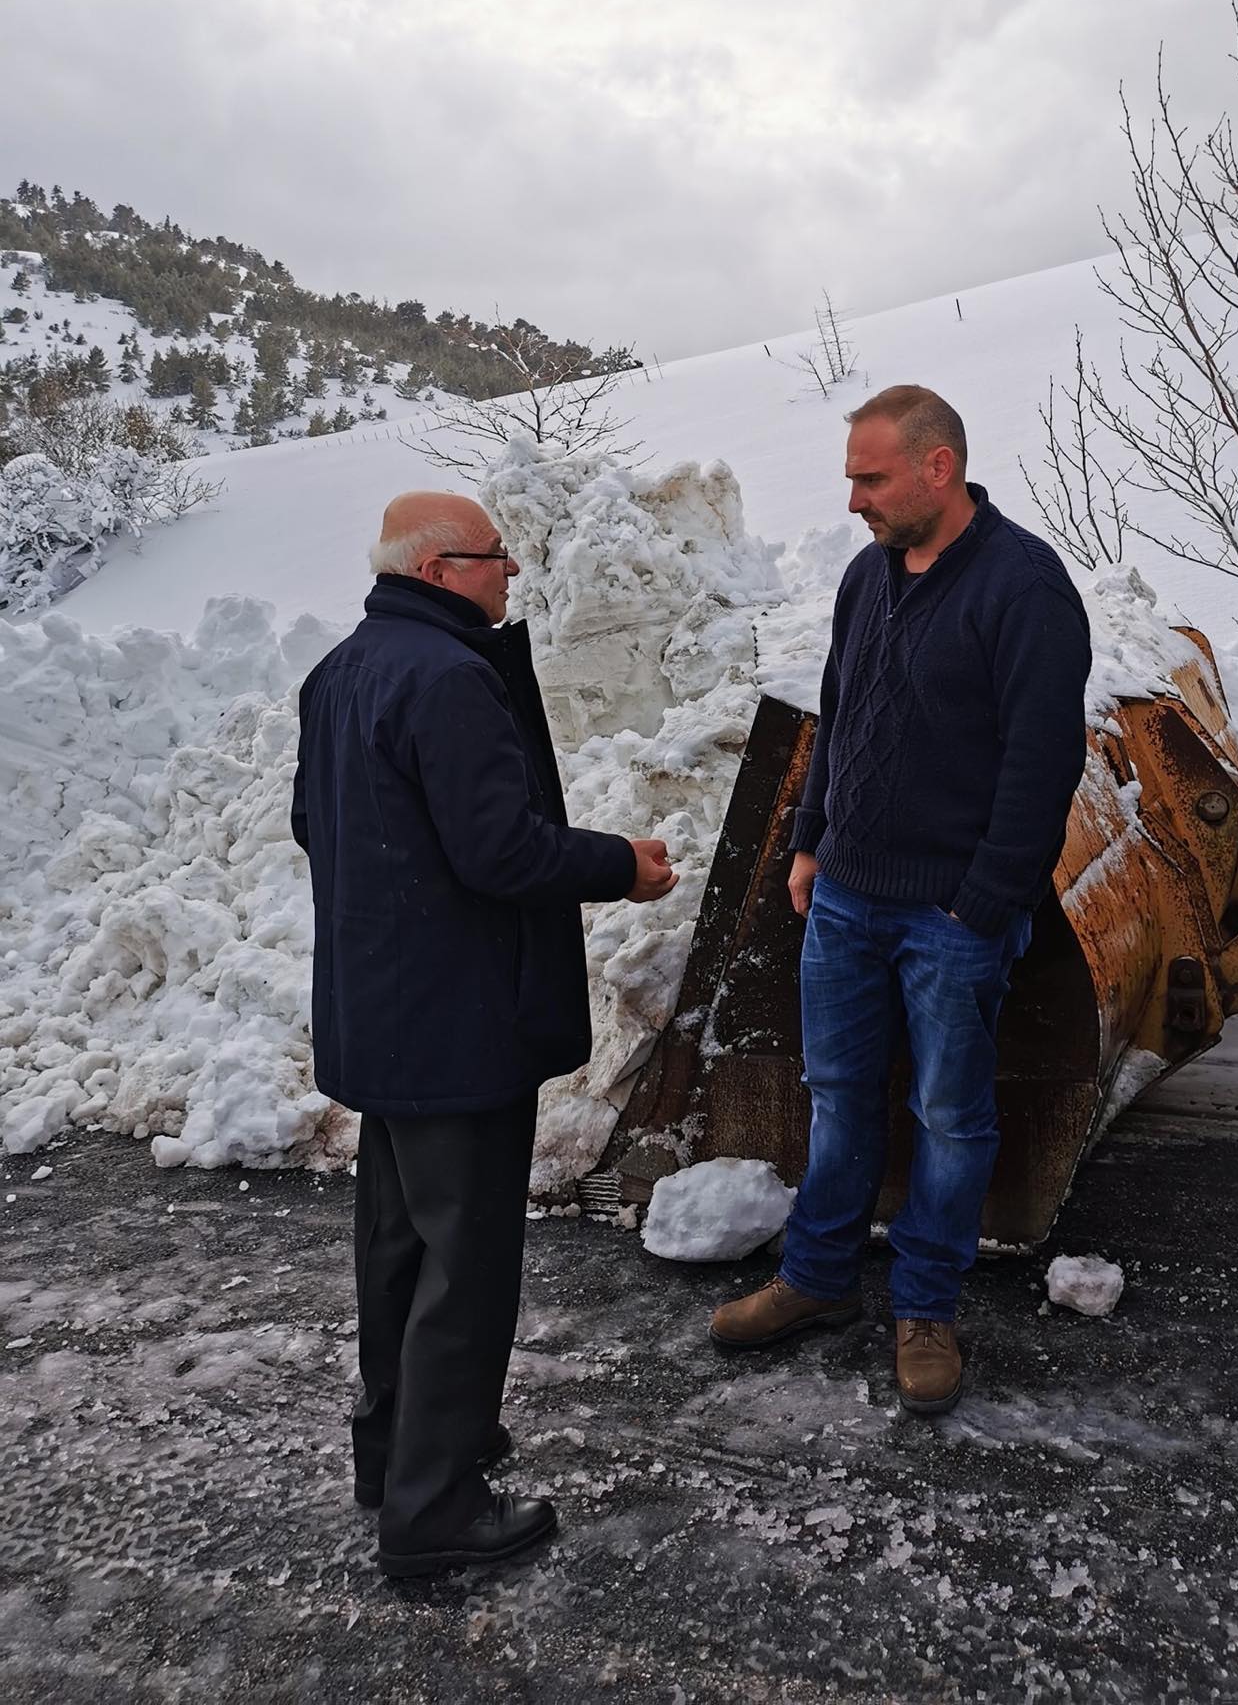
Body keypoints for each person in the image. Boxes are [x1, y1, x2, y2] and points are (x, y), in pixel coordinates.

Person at [292, 490, 676, 1577]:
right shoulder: (450, 677)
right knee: (467, 1269)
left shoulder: (342, 671)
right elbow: (501, 852)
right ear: (435, 570)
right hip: (457, 1025)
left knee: (398, 1248)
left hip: (382, 1015)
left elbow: (311, 825)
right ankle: (433, 1515)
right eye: (493, 557)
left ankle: (398, 1455)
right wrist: (622, 867)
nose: (512, 572)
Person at [710, 387, 1091, 1415]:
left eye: (869, 479)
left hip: (950, 918)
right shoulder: (866, 579)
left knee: (950, 1117)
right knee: (836, 1098)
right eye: (850, 477)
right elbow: (841, 717)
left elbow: (1043, 764)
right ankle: (818, 1279)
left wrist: (982, 902)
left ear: (939, 468)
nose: (853, 500)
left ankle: (926, 1306)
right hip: (846, 900)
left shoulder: (1025, 589)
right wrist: (809, 842)